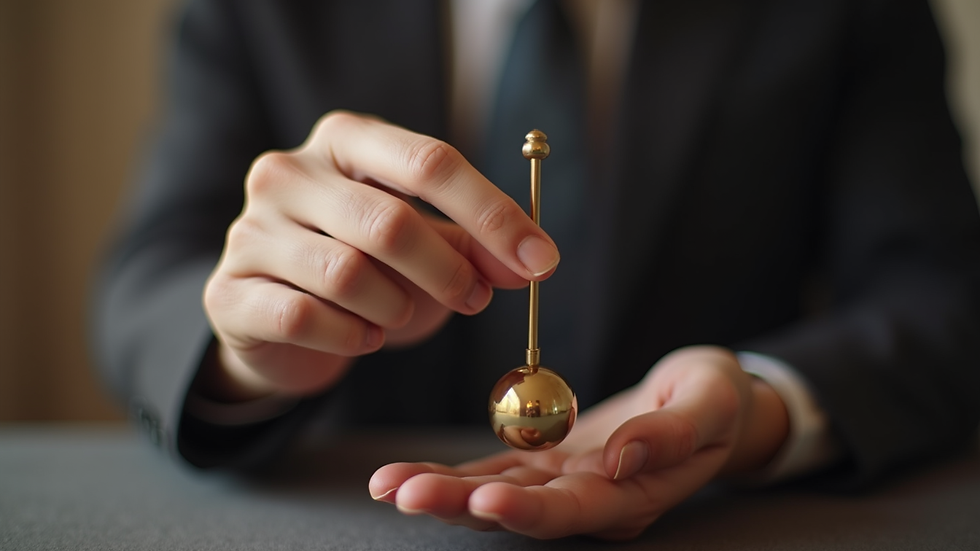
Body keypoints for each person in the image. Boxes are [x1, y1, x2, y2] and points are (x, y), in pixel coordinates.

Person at [93, 0, 980, 540]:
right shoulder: (259, 10)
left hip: (720, 526)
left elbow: (942, 294)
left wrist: (762, 402)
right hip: (345, 515)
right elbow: (148, 278)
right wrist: (249, 351)